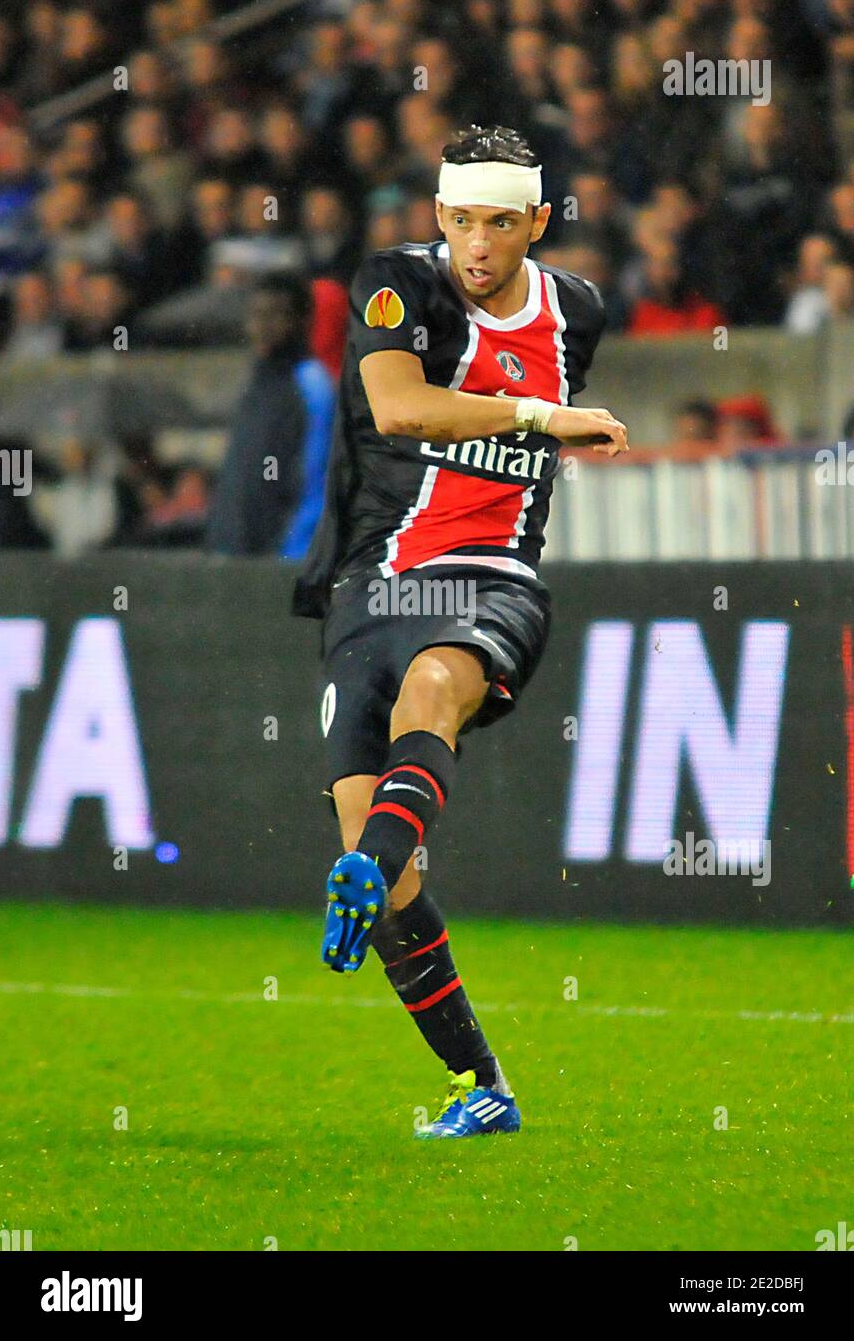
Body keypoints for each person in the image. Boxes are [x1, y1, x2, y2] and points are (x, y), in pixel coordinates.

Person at [291, 124, 627, 1139]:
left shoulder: (577, 309)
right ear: (437, 217)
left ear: (535, 221)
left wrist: (536, 420)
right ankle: (481, 1085)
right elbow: (395, 410)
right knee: (391, 879)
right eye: (457, 219)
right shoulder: (394, 285)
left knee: (434, 688)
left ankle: (362, 866)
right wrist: (537, 418)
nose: (474, 243)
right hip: (369, 587)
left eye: (496, 222)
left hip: (491, 580)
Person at [206, 274, 334, 555]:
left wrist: (288, 559)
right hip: (234, 557)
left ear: (303, 321)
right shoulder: (254, 384)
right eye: (256, 315)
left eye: (276, 315)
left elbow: (315, 486)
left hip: (279, 565)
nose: (262, 327)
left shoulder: (313, 387)